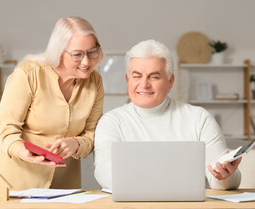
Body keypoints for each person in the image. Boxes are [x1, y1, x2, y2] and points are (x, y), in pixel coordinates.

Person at [94, 39, 241, 190]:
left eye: (154, 76)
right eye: (137, 76)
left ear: (170, 81)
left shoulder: (199, 118)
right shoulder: (111, 121)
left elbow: (221, 176)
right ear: (127, 80)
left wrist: (225, 177)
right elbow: (104, 172)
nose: (144, 84)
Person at [0, 16, 105, 190]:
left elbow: (92, 133)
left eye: (92, 52)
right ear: (59, 51)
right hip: (14, 183)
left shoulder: (95, 82)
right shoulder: (28, 75)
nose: (86, 61)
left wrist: (76, 143)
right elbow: (6, 130)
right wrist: (23, 152)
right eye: (77, 54)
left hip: (63, 186)